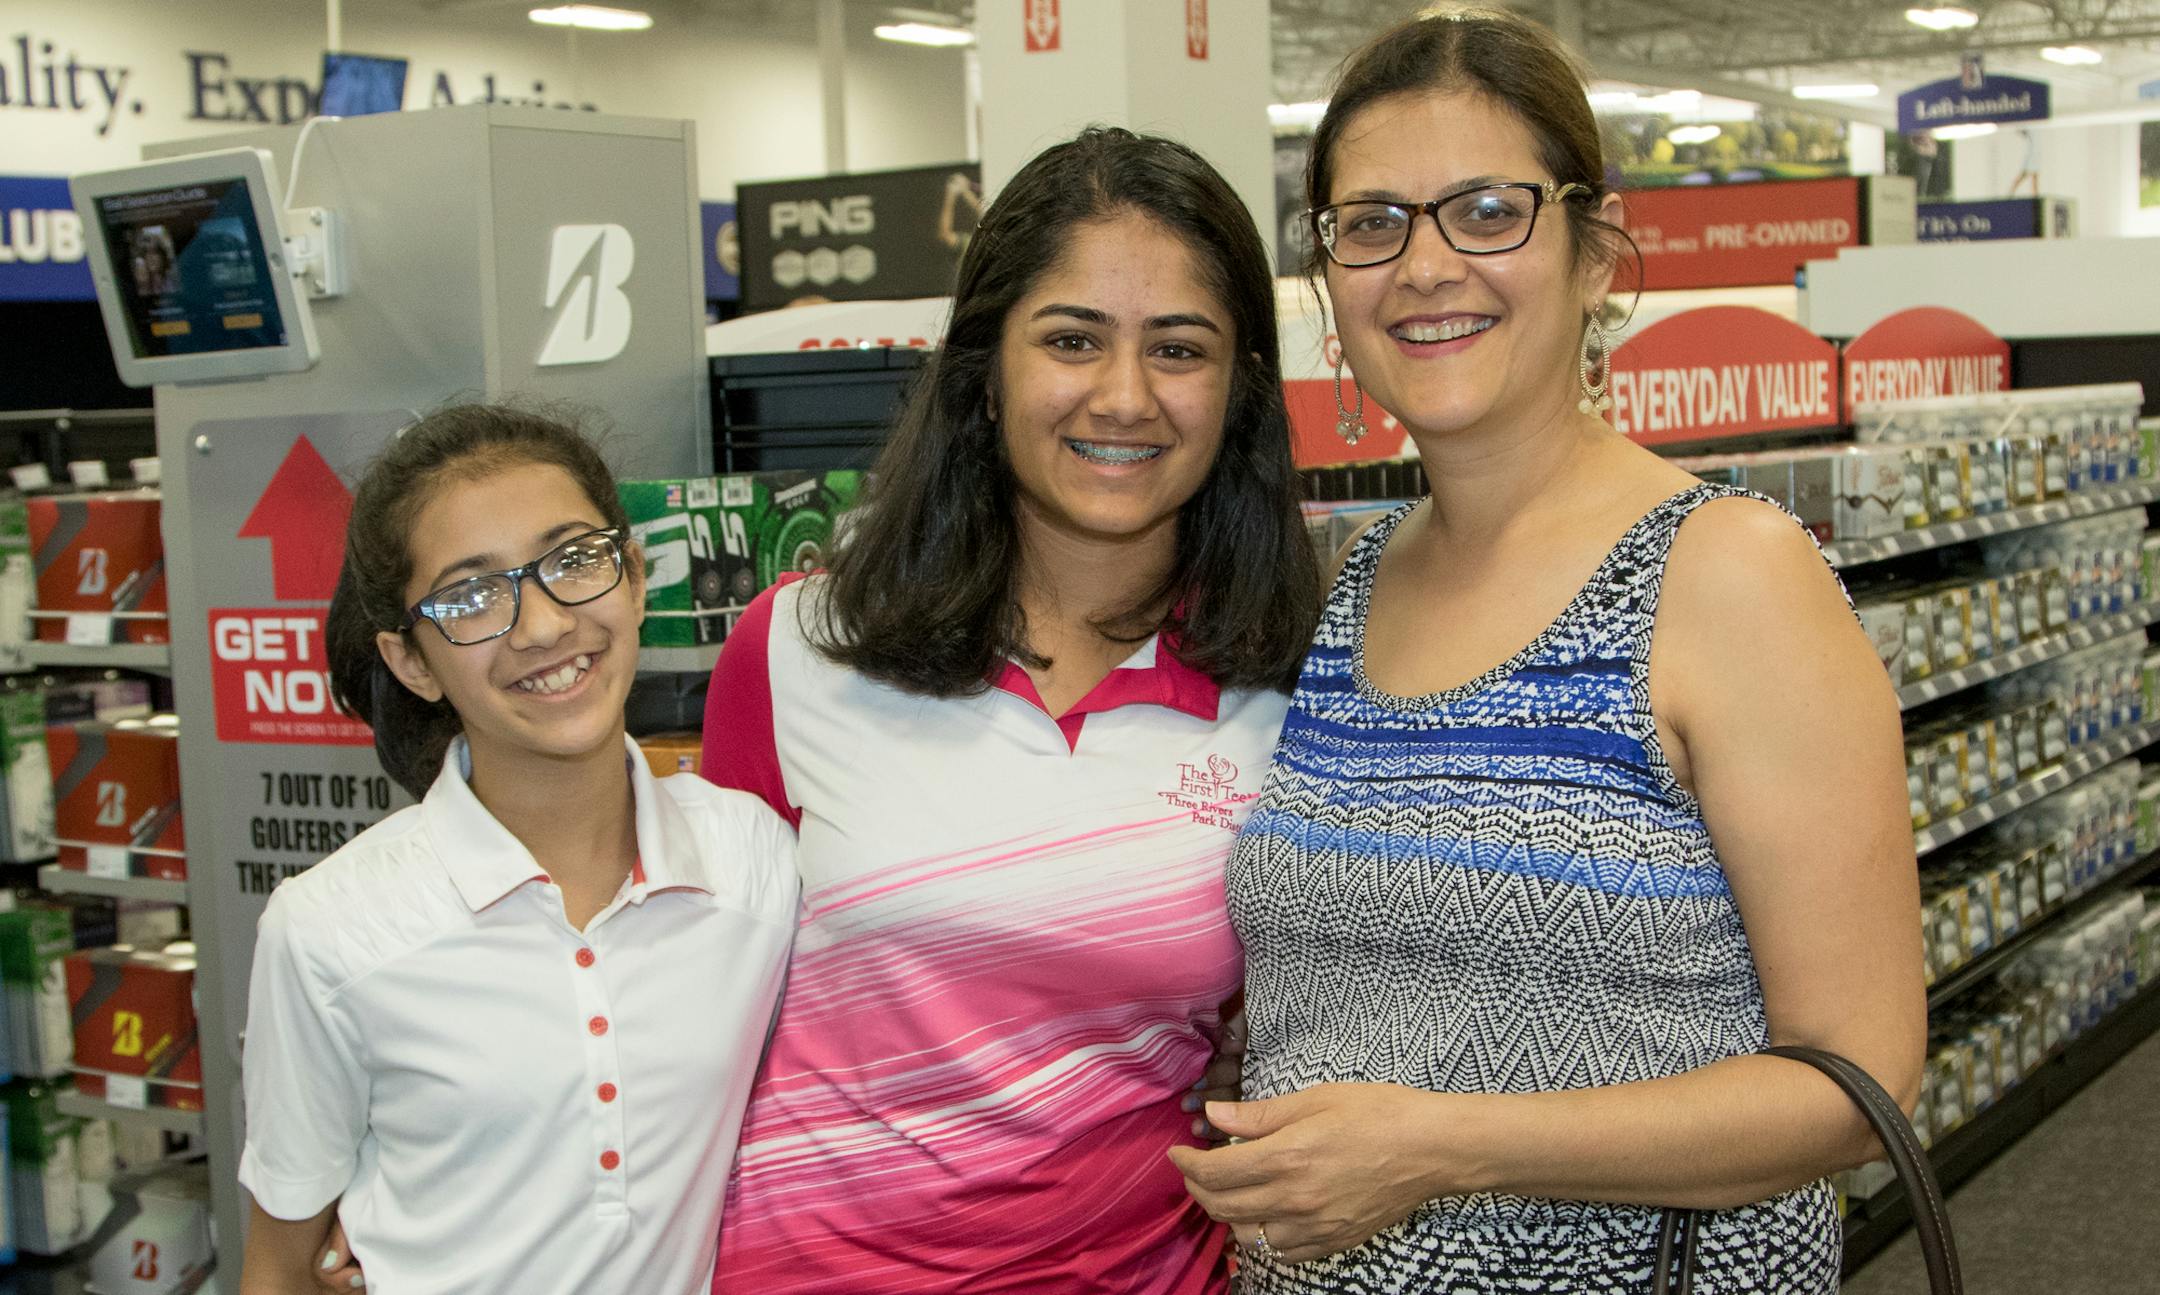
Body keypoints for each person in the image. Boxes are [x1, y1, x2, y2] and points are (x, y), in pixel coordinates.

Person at [1169, 8, 1926, 1293]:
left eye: (1487, 210)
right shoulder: (1349, 582)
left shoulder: (1726, 574)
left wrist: (1441, 1146)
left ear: (1594, 254)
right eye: (1372, 224)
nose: (1423, 265)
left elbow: (1858, 1084)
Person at [698, 126, 1322, 1292]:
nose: (1125, 396)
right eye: (1072, 339)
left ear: (1240, 392)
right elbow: (670, 992)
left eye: (1178, 348)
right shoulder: (795, 648)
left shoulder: (1293, 694)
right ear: (984, 371)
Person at [240, 404, 797, 1294]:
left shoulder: (760, 870)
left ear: (637, 576)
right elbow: (279, 1270)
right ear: (412, 661)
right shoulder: (330, 932)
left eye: (576, 560)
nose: (540, 626)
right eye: (471, 596)